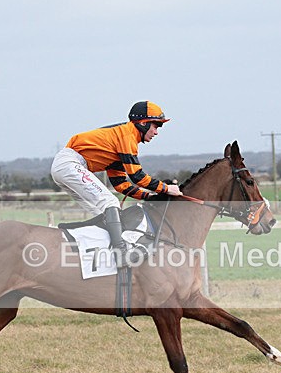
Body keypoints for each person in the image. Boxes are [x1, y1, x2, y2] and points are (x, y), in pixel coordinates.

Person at [51, 101, 183, 267]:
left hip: (67, 166)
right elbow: (137, 177)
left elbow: (121, 185)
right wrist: (166, 188)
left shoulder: (121, 140)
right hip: (70, 164)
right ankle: (121, 254)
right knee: (111, 203)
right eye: (156, 126)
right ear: (143, 123)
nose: (156, 132)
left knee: (105, 213)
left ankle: (94, 252)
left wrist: (149, 195)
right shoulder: (127, 136)